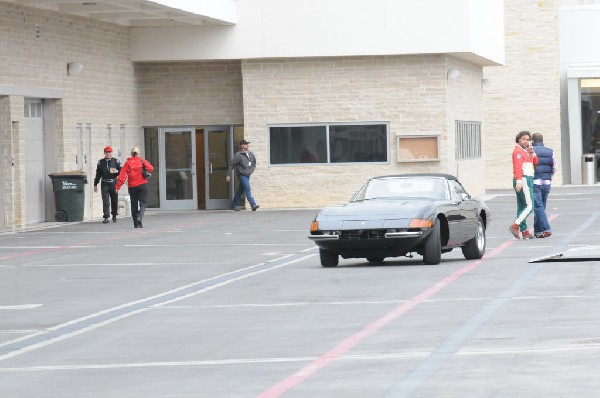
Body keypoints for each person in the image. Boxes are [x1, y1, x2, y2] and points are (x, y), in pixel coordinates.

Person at [509, 131, 538, 239]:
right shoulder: (518, 152)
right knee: (530, 206)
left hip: (526, 179)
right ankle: (515, 225)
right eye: (523, 139)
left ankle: (524, 230)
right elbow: (517, 167)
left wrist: (532, 153)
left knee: (522, 206)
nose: (526, 141)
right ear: (519, 139)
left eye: (527, 139)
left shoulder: (525, 151)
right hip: (524, 179)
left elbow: (536, 162)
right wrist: (519, 182)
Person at [115, 147, 154, 228]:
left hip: (132, 186)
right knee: (143, 203)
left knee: (134, 204)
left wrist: (118, 186)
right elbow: (151, 168)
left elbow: (122, 175)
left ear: (131, 154)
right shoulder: (142, 161)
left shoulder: (128, 163)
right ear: (138, 153)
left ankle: (135, 223)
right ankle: (140, 217)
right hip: (142, 184)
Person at [532, 132, 556, 238]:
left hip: (535, 182)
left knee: (538, 207)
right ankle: (538, 231)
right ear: (542, 141)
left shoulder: (531, 151)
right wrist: (549, 177)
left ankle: (546, 228)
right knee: (541, 207)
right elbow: (554, 167)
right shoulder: (550, 151)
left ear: (532, 141)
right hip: (546, 182)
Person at [226, 139, 260, 211]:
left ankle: (233, 206)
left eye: (247, 144)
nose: (247, 145)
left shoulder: (251, 154)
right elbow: (232, 165)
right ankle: (253, 204)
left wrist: (251, 171)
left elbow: (254, 163)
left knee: (240, 190)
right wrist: (228, 175)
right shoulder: (238, 155)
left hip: (248, 174)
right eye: (245, 144)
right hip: (241, 175)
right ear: (242, 146)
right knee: (247, 188)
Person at [93, 146, 121, 223]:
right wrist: (95, 184)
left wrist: (117, 172)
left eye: (110, 152)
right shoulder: (101, 162)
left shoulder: (116, 161)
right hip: (105, 183)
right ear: (104, 153)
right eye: (107, 152)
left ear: (112, 153)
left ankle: (114, 215)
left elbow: (121, 171)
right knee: (105, 201)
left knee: (114, 200)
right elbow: (98, 174)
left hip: (114, 182)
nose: (108, 154)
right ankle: (106, 217)